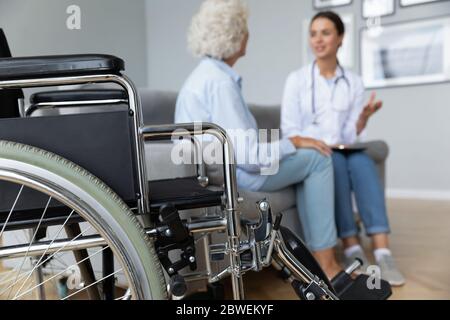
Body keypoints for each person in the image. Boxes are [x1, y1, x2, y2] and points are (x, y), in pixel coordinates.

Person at [175, 0, 342, 279]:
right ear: (234, 36)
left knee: (305, 162)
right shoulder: (220, 83)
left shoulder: (204, 76)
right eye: (245, 29)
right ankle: (327, 264)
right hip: (239, 176)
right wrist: (295, 142)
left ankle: (303, 256)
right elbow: (251, 159)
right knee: (318, 159)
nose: (249, 35)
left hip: (222, 171)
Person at [281, 11, 405, 286]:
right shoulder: (297, 80)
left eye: (325, 33)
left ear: (340, 38)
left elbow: (349, 133)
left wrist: (362, 119)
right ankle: (351, 246)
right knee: (333, 161)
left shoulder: (354, 82)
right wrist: (314, 142)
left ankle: (382, 250)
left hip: (343, 147)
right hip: (317, 151)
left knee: (362, 161)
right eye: (313, 34)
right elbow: (290, 130)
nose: (318, 40)